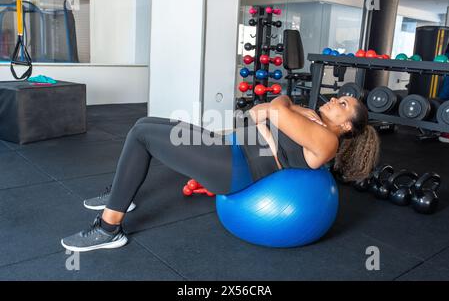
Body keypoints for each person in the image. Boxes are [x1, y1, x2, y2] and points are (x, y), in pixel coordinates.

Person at [61, 95, 380, 252]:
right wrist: (279, 111)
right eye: (340, 97)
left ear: (347, 125)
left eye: (343, 104)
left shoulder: (327, 140)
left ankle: (109, 228)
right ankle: (121, 193)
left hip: (233, 166)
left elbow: (276, 107)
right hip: (227, 147)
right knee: (142, 126)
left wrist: (289, 108)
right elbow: (259, 110)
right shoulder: (315, 125)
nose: (335, 99)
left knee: (143, 136)